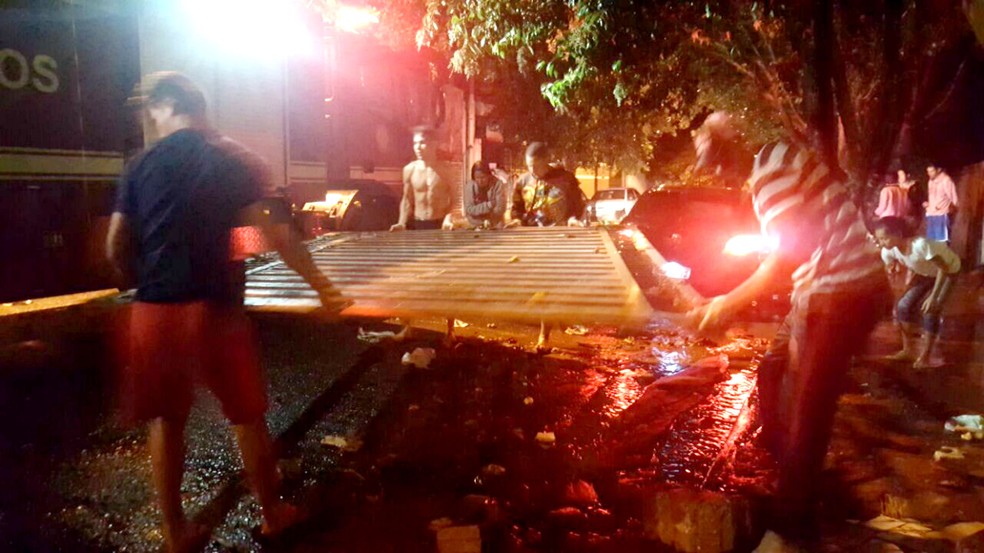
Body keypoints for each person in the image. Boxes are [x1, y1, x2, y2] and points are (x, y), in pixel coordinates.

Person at [106, 72, 346, 553]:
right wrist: (322, 288)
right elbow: (280, 236)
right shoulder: (235, 162)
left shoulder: (139, 166)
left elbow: (115, 246)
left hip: (154, 310)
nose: (149, 119)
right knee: (245, 417)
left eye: (151, 109)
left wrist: (141, 284)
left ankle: (176, 533)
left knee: (166, 422)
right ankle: (272, 513)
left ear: (168, 104)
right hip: (215, 310)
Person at [688, 138, 891, 552]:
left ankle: (790, 529)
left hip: (842, 291)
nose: (721, 181)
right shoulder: (775, 159)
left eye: (715, 170)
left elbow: (785, 258)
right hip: (820, 291)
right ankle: (807, 482)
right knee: (773, 369)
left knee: (806, 411)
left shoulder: (769, 175)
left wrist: (729, 303)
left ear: (727, 168)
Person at [873, 216, 961, 368]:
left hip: (948, 271)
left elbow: (943, 268)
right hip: (924, 274)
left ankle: (925, 357)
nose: (881, 243)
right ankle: (908, 350)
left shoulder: (921, 245)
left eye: (885, 238)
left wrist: (934, 296)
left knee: (931, 310)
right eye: (879, 239)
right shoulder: (888, 251)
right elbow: (893, 270)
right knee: (903, 306)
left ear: (899, 234)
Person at [390, 126, 454, 232]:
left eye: (422, 142)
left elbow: (454, 200)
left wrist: (448, 219)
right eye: (415, 143)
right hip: (418, 223)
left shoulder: (446, 170)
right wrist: (401, 223)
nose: (417, 147)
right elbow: (407, 200)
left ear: (434, 144)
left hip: (441, 224)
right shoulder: (409, 169)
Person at [509, 142, 585, 227]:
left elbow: (577, 204)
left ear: (545, 160)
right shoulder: (522, 182)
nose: (533, 170)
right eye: (529, 166)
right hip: (531, 233)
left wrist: (573, 219)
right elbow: (517, 208)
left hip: (560, 232)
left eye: (536, 166)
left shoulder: (566, 179)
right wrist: (517, 220)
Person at [463, 160, 508, 228]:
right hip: (474, 225)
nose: (480, 181)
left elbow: (500, 208)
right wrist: (489, 205)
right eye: (477, 178)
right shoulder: (470, 187)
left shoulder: (498, 184)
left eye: (483, 177)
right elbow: (469, 209)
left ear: (489, 175)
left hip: (495, 224)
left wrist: (487, 218)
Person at [924, 164, 958, 242]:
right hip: (931, 215)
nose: (929, 173)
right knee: (931, 242)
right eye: (928, 171)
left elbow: (954, 199)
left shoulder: (946, 180)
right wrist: (929, 205)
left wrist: (951, 213)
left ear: (938, 170)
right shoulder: (930, 181)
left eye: (932, 171)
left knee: (942, 242)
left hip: (941, 216)